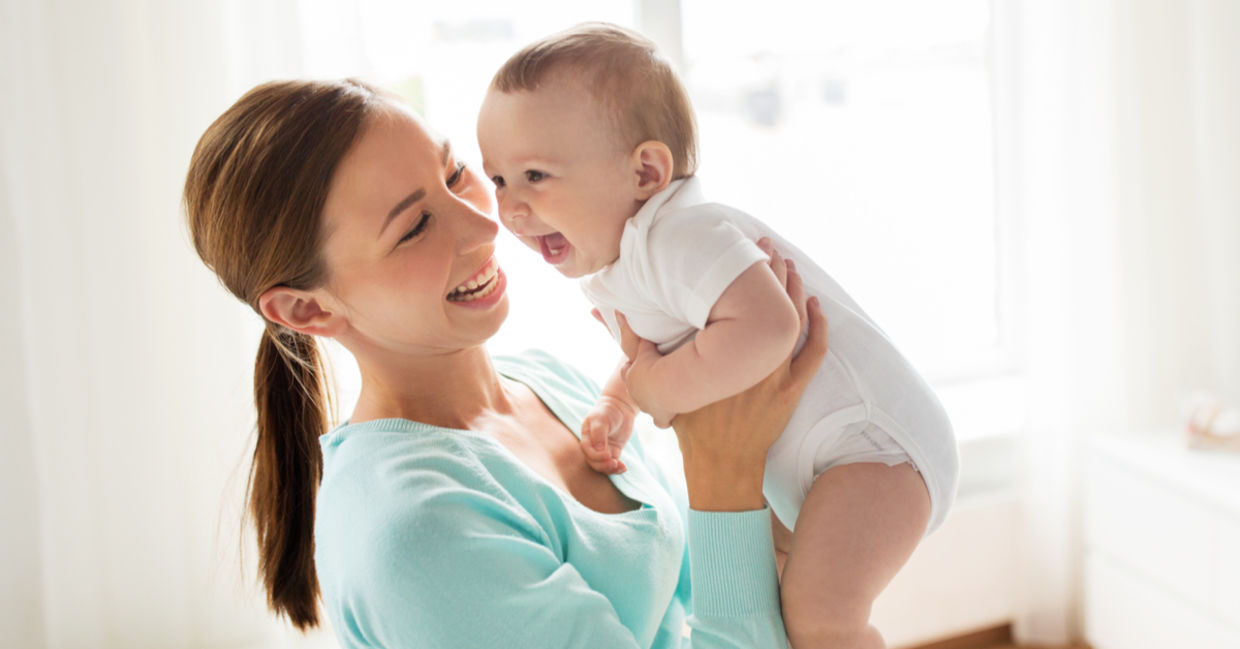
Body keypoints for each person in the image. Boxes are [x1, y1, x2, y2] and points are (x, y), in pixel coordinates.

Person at [182, 78, 828, 648]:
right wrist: (723, 470)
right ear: (305, 310)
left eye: (457, 172)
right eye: (414, 227)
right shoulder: (419, 536)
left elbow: (699, 598)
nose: (484, 226)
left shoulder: (545, 381)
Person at [476, 23, 960, 649]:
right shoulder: (624, 262)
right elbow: (667, 350)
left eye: (535, 176)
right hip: (823, 460)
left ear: (646, 173)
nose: (510, 208)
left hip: (875, 450)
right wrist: (620, 400)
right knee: (774, 600)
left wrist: (658, 388)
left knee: (820, 618)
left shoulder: (681, 236)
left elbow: (767, 326)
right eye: (497, 180)